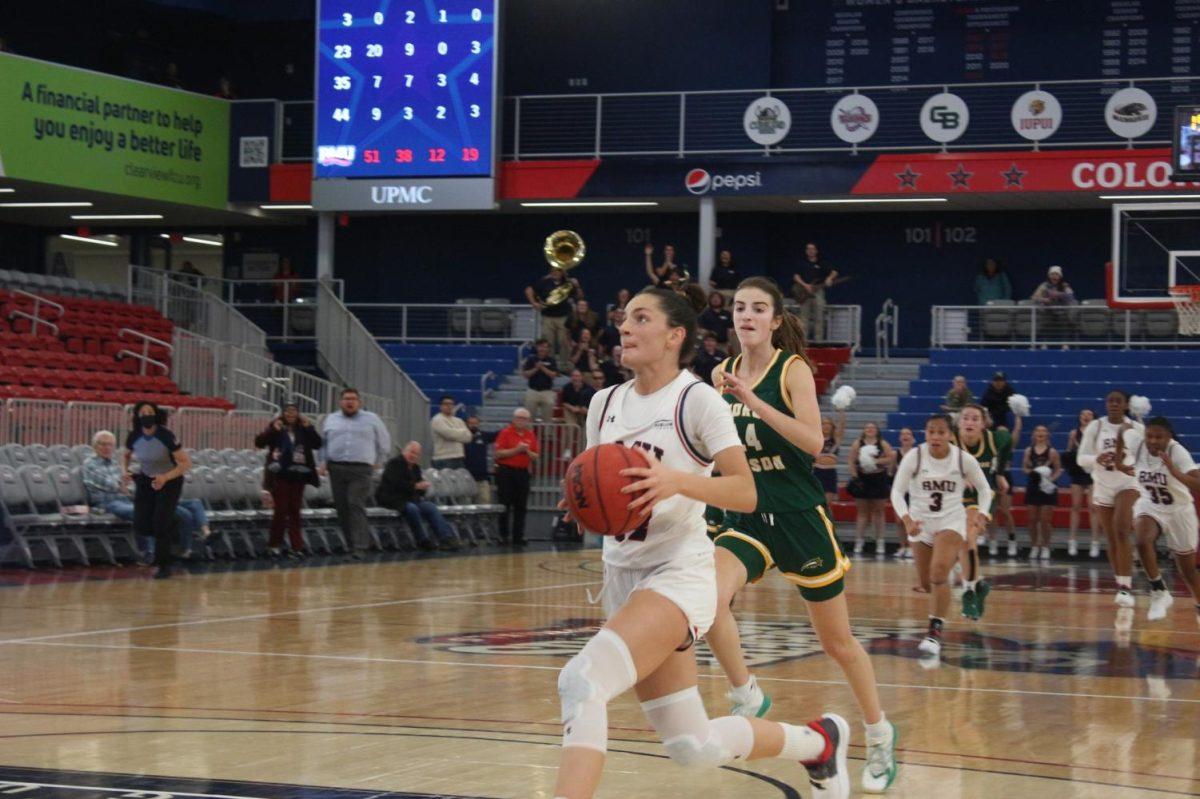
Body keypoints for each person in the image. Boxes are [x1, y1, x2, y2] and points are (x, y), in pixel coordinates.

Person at [552, 285, 851, 799]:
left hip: (678, 575)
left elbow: (745, 491)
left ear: (674, 336)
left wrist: (676, 481)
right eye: (624, 318)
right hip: (624, 575)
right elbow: (604, 486)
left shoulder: (698, 399)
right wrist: (580, 498)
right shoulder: (603, 404)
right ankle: (818, 743)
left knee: (581, 683)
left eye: (640, 318)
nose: (624, 327)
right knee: (693, 745)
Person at [707, 277, 897, 794]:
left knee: (837, 643)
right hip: (747, 514)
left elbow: (815, 443)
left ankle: (879, 733)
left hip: (798, 517)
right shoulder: (719, 372)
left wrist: (754, 400)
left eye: (758, 308)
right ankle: (746, 693)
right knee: (708, 601)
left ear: (774, 320)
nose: (746, 314)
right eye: (740, 307)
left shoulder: (791, 370)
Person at [891, 414, 994, 660]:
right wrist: (906, 518)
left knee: (938, 574)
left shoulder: (962, 459)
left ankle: (934, 634)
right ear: (925, 434)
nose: (935, 437)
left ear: (950, 435)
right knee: (928, 584)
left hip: (951, 521)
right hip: (920, 524)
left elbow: (984, 490)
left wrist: (982, 514)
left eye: (941, 432)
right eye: (931, 432)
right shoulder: (914, 457)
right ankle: (965, 575)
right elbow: (897, 491)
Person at [1119, 417, 1200, 626]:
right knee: (1141, 540)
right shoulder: (1137, 443)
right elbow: (1124, 429)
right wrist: (1119, 461)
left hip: (1179, 511)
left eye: (1158, 437)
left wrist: (1175, 472)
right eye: (1149, 436)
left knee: (1188, 571)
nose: (1153, 441)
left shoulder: (1177, 452)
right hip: (1150, 504)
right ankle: (1159, 590)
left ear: (1169, 437)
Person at [1076, 389, 1142, 610]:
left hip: (1127, 483)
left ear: (1126, 405)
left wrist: (1126, 457)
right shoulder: (1096, 426)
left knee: (1122, 528)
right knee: (1112, 538)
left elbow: (1143, 456)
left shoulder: (1135, 427)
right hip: (1103, 486)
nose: (1113, 404)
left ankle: (1127, 588)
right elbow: (1081, 459)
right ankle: (1121, 583)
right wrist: (1097, 458)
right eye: (1110, 400)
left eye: (1118, 401)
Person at [954, 405, 1020, 618]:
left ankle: (969, 592)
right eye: (966, 418)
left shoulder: (995, 439)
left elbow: (1009, 441)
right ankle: (978, 584)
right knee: (958, 545)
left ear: (983, 424)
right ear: (958, 422)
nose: (970, 422)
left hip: (981, 497)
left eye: (975, 418)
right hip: (952, 498)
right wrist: (958, 476)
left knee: (968, 538)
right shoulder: (949, 441)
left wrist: (1000, 473)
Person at [320, 388, 392, 558]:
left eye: (353, 399)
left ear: (359, 402)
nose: (349, 402)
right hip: (336, 467)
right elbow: (324, 443)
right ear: (340, 402)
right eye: (346, 399)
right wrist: (322, 462)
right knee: (342, 507)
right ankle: (351, 544)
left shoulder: (372, 419)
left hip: (361, 469)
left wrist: (378, 462)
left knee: (355, 503)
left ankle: (360, 546)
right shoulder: (331, 419)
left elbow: (385, 442)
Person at [122, 402, 192, 579]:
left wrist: (165, 477)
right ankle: (173, 522)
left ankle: (163, 565)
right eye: (143, 412)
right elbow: (125, 455)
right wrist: (126, 471)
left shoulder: (166, 435)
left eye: (150, 412)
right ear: (138, 416)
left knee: (160, 523)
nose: (146, 415)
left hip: (169, 480)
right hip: (146, 479)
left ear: (156, 414)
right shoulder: (134, 436)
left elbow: (185, 463)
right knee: (141, 524)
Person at [255, 401, 322, 558]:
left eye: (294, 411)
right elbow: (259, 442)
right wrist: (272, 430)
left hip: (298, 473)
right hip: (279, 474)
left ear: (298, 413)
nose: (291, 414)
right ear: (283, 414)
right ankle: (274, 545)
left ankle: (296, 547)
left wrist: (310, 428)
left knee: (295, 510)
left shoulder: (303, 428)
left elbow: (318, 444)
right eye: (288, 411)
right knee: (281, 510)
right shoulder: (276, 427)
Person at [377, 441, 462, 551]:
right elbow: (396, 484)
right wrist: (415, 486)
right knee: (412, 509)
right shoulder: (394, 464)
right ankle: (422, 539)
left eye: (417, 454)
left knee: (430, 507)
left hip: (409, 499)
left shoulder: (415, 467)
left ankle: (446, 538)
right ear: (404, 451)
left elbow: (418, 489)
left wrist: (423, 488)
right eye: (412, 452)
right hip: (391, 499)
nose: (414, 456)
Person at [847, 422, 895, 556]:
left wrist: (875, 461)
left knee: (879, 512)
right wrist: (854, 476)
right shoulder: (858, 443)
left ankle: (880, 541)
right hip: (863, 479)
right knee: (862, 513)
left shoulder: (882, 443)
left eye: (872, 428)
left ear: (877, 430)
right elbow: (851, 460)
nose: (869, 429)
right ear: (864, 430)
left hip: (878, 479)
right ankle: (859, 541)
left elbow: (891, 458)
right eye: (867, 428)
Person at [493, 407, 538, 546]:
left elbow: (536, 455)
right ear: (514, 419)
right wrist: (517, 450)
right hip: (506, 472)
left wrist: (528, 452)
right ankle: (503, 536)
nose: (521, 421)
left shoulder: (530, 435)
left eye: (524, 419)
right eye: (519, 418)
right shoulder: (505, 433)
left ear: (528, 421)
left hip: (523, 473)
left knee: (521, 506)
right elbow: (498, 454)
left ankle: (518, 536)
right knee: (504, 505)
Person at [525, 265, 579, 369]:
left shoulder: (568, 283)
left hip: (564, 317)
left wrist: (577, 285)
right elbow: (528, 290)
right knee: (548, 343)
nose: (555, 273)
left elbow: (579, 296)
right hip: (547, 317)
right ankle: (551, 366)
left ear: (562, 272)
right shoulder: (544, 282)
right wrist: (534, 303)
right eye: (553, 271)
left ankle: (565, 366)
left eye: (558, 271)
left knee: (564, 342)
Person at [1022, 425, 1063, 562]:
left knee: (1045, 520)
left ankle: (1046, 546)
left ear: (1047, 435)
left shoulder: (1052, 452)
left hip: (1047, 488)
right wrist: (1034, 472)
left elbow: (1058, 470)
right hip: (1033, 486)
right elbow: (1025, 468)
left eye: (1043, 431)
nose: (1040, 433)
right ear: (1034, 434)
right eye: (1037, 430)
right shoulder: (1028, 451)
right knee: (1032, 520)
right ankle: (1034, 545)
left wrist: (1049, 480)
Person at [1064, 408, 1101, 558]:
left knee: (1093, 506)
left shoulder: (1097, 434)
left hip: (1092, 471)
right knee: (1075, 506)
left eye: (1089, 414)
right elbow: (1068, 453)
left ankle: (1095, 542)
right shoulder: (1074, 433)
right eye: (1083, 414)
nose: (1085, 416)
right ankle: (1072, 540)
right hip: (1078, 471)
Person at [792, 242, 837, 342]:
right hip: (804, 293)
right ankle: (803, 343)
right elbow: (796, 276)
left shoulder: (822, 263)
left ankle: (818, 342)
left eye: (812, 249)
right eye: (808, 249)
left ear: (816, 251)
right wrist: (805, 285)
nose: (810, 251)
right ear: (806, 251)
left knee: (819, 317)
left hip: (818, 291)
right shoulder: (801, 263)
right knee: (804, 318)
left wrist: (829, 278)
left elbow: (834, 272)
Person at [891, 428, 917, 560]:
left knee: (912, 520)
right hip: (901, 491)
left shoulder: (917, 454)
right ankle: (902, 546)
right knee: (899, 521)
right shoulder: (895, 454)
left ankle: (912, 547)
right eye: (902, 434)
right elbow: (891, 472)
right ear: (900, 438)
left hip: (914, 492)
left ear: (913, 438)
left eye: (908, 433)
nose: (905, 436)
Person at [814, 409, 847, 510]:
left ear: (832, 426)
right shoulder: (815, 438)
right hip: (816, 472)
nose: (826, 426)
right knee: (817, 504)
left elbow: (842, 425)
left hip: (830, 473)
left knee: (827, 505)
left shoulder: (836, 439)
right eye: (823, 423)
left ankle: (829, 525)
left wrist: (841, 411)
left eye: (829, 424)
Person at [430, 395, 472, 469]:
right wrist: (462, 432)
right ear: (440, 406)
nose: (449, 406)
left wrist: (455, 432)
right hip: (443, 458)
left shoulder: (459, 421)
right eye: (446, 404)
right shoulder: (437, 419)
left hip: (459, 457)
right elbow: (449, 434)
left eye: (451, 404)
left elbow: (468, 437)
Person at [522, 339, 559, 421]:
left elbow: (553, 375)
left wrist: (542, 368)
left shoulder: (551, 360)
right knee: (528, 417)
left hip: (547, 391)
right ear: (537, 347)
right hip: (533, 390)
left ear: (548, 349)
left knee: (548, 417)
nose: (543, 349)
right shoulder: (531, 359)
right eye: (541, 347)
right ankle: (529, 433)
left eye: (545, 347)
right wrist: (536, 368)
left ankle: (548, 433)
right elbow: (526, 374)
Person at [464, 415, 496, 504]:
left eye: (475, 423)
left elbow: (498, 434)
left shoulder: (484, 435)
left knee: (484, 505)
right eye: (471, 423)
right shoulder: (461, 437)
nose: (473, 425)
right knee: (466, 507)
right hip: (466, 478)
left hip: (482, 478)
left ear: (479, 424)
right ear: (467, 424)